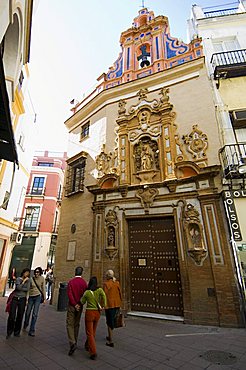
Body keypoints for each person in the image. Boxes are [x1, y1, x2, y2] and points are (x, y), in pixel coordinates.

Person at [81, 276, 107, 360]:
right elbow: (104, 296)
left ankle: (93, 352)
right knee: (93, 331)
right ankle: (87, 345)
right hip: (97, 313)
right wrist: (103, 305)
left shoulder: (87, 292)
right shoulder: (99, 290)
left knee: (89, 332)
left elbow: (82, 301)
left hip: (89, 313)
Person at [66, 266, 87, 356]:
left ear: (75, 272)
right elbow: (85, 295)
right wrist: (79, 304)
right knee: (76, 324)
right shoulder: (84, 283)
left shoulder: (71, 282)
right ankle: (75, 340)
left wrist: (74, 304)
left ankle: (72, 342)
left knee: (69, 324)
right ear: (82, 273)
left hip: (72, 305)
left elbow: (69, 294)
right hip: (80, 306)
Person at [6, 268, 30, 338]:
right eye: (25, 273)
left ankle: (17, 332)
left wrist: (21, 287)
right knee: (12, 316)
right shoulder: (18, 279)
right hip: (15, 298)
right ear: (23, 273)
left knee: (20, 315)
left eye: (28, 273)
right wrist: (23, 283)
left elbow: (27, 289)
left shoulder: (28, 280)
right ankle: (9, 331)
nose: (26, 274)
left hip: (22, 299)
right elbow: (18, 288)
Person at [23, 267, 46, 337]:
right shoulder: (31, 279)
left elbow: (43, 288)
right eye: (35, 272)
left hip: (38, 297)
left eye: (38, 272)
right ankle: (26, 324)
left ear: (40, 273)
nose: (36, 273)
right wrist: (26, 299)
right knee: (27, 313)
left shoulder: (42, 279)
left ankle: (32, 330)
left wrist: (44, 298)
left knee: (35, 314)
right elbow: (28, 289)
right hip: (31, 297)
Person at [103, 270, 122, 347]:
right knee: (113, 320)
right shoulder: (117, 283)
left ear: (107, 276)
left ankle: (110, 341)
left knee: (109, 322)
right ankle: (109, 336)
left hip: (109, 305)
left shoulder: (106, 284)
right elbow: (120, 293)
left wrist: (102, 305)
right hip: (116, 304)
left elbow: (104, 296)